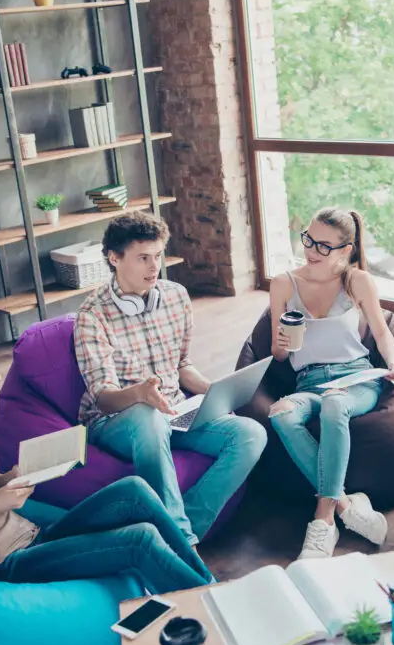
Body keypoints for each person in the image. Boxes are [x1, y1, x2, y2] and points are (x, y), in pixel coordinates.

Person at [0, 331, 213, 593]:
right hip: (4, 564)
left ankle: (209, 584)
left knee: (134, 490)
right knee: (140, 540)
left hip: (32, 534)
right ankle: (210, 603)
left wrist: (10, 478)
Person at [74, 212, 268, 549]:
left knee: (251, 433)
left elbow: (182, 366)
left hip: (174, 413)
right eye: (143, 258)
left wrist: (215, 393)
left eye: (159, 255)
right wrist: (139, 394)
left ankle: (182, 530)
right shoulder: (92, 316)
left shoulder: (176, 297)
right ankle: (183, 542)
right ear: (114, 258)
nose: (154, 267)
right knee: (148, 418)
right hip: (117, 421)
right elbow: (103, 398)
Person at [268, 207, 394, 559]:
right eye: (309, 240)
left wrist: (392, 363)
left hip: (356, 378)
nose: (312, 251)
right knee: (280, 413)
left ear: (346, 249)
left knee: (335, 403)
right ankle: (346, 504)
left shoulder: (357, 281)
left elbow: (381, 331)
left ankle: (324, 517)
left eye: (324, 246)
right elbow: (278, 353)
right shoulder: (284, 283)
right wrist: (282, 346)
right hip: (309, 382)